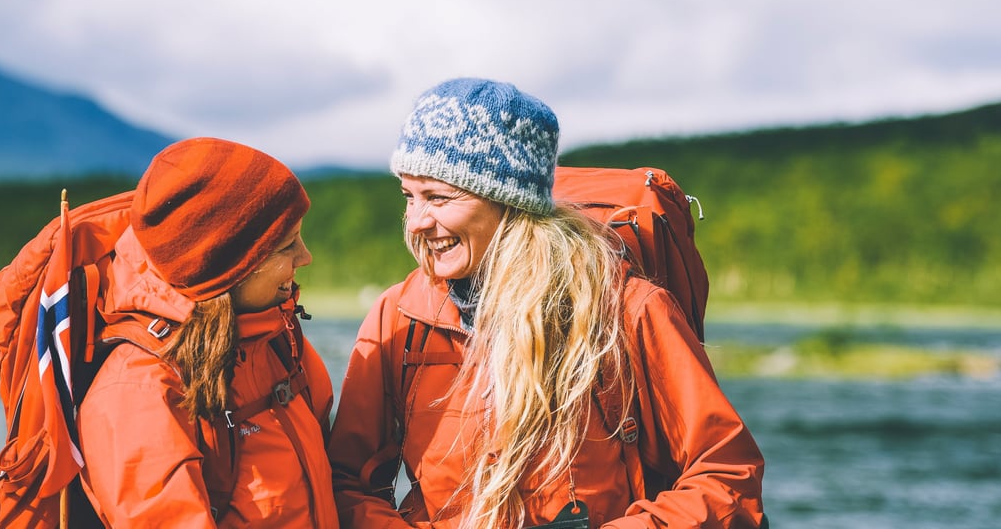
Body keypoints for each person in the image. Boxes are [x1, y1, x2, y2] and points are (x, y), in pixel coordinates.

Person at [327, 78, 766, 528]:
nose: (417, 222)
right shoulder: (397, 315)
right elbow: (346, 483)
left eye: (438, 197)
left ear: (507, 200)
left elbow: (728, 476)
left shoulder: (626, 308)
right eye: (409, 196)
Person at [76, 137, 338, 527]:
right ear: (228, 266)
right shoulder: (138, 393)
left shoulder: (277, 337)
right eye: (286, 246)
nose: (306, 256)